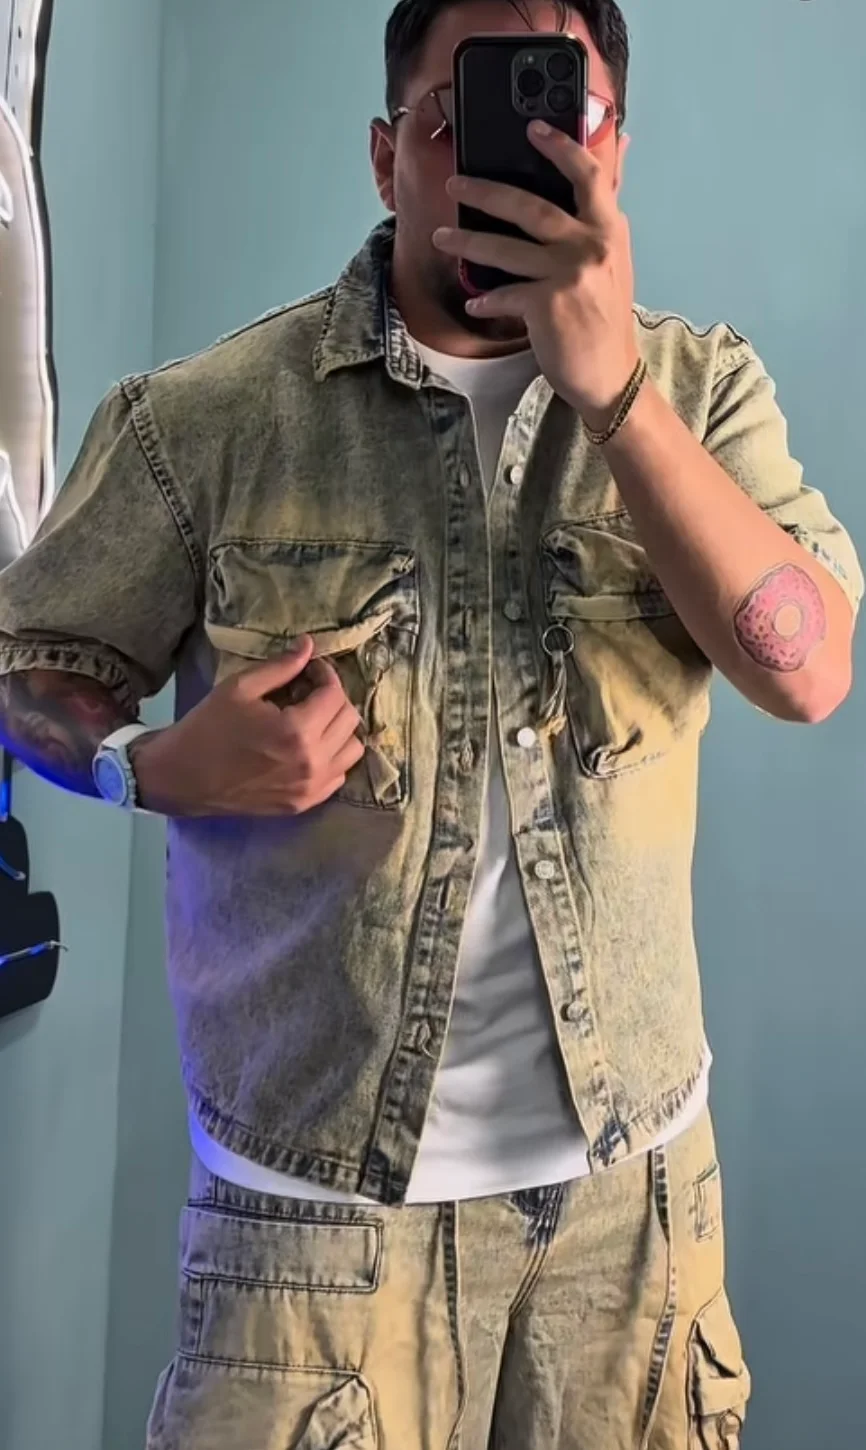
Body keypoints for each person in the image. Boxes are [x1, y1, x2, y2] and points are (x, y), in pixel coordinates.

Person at [0, 0, 861, 1444]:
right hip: (306, 1237)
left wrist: (615, 394)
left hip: (632, 1223)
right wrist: (151, 764)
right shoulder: (205, 424)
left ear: (610, 154)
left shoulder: (701, 396)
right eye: (455, 115)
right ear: (385, 153)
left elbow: (810, 668)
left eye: (554, 114)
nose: (497, 154)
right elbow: (24, 670)